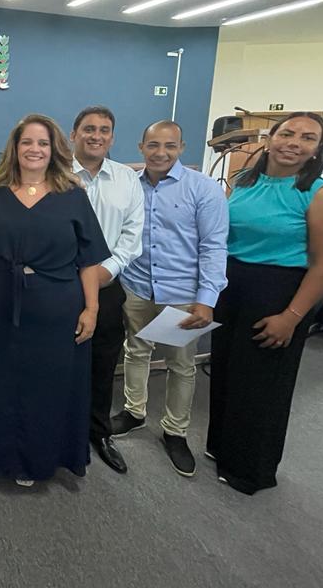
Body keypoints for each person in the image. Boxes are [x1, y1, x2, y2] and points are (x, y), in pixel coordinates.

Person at [208, 112, 323, 495]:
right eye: (287, 133)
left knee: (261, 384)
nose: (294, 143)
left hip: (279, 291)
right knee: (227, 371)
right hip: (232, 286)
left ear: (317, 149)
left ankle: (250, 470)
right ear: (270, 138)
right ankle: (221, 448)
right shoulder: (244, 181)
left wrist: (291, 317)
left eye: (307, 138)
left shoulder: (322, 194)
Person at [0, 115, 109, 487]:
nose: (35, 149)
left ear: (54, 149)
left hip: (57, 307)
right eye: (27, 142)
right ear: (14, 148)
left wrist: (92, 308)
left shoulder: (72, 194)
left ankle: (40, 458)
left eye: (43, 143)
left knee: (47, 386)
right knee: (1, 381)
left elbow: (89, 259)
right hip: (3, 303)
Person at [110, 121, 229, 477]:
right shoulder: (130, 186)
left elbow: (213, 247)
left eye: (170, 146)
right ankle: (134, 412)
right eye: (153, 145)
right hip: (137, 287)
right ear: (141, 147)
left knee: (181, 364)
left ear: (182, 147)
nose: (161, 153)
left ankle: (175, 431)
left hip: (182, 294)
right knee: (136, 350)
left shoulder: (203, 189)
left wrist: (207, 299)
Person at [70, 106, 145, 474]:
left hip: (108, 285)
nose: (96, 135)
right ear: (73, 135)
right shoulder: (56, 173)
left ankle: (99, 432)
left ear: (112, 138)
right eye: (88, 129)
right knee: (57, 361)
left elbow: (132, 235)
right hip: (60, 286)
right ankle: (59, 429)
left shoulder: (127, 179)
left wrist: (107, 270)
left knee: (102, 363)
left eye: (103, 130)